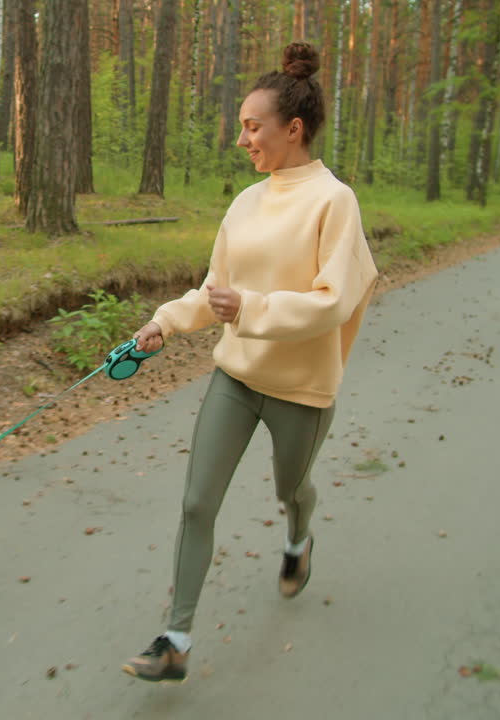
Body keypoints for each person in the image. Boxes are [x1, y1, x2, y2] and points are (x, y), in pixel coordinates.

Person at [121, 42, 379, 684]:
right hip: (236, 378)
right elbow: (216, 292)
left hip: (301, 389)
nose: (242, 139)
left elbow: (332, 301)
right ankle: (174, 639)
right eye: (242, 126)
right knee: (196, 504)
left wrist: (252, 306)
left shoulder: (333, 201)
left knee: (291, 489)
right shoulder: (245, 202)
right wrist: (165, 321)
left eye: (252, 126)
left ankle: (299, 538)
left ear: (292, 130)